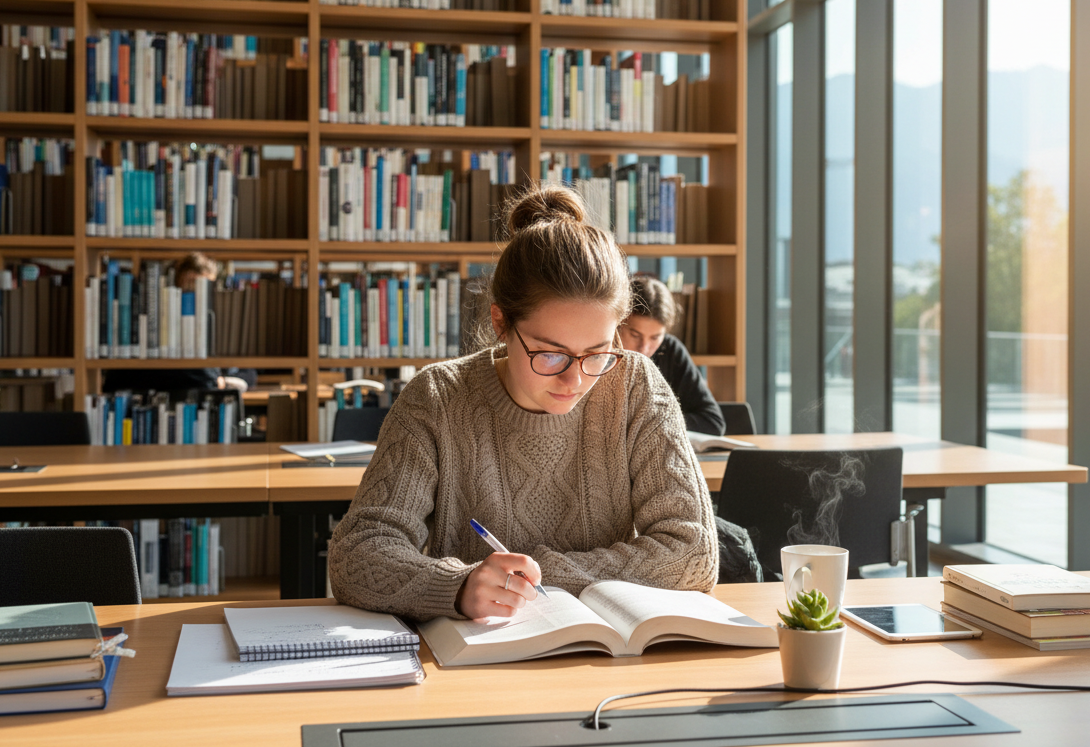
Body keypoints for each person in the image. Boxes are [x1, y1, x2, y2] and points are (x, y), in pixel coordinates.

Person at [328, 185, 718, 622]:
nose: (576, 379)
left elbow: (693, 553)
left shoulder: (635, 384)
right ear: (501, 323)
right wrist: (457, 587)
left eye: (597, 353)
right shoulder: (437, 398)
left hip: (606, 658)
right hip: (473, 666)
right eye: (550, 354)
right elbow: (358, 554)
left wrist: (540, 574)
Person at [102, 253, 256, 394]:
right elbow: (118, 379)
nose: (194, 297)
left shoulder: (215, 323)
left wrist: (221, 380)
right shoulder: (151, 322)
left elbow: (249, 373)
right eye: (188, 289)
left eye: (204, 289)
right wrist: (215, 380)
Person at [620, 275, 726, 436]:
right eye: (635, 335)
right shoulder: (597, 354)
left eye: (655, 338)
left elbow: (712, 421)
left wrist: (650, 423)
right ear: (619, 323)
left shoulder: (670, 350)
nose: (644, 347)